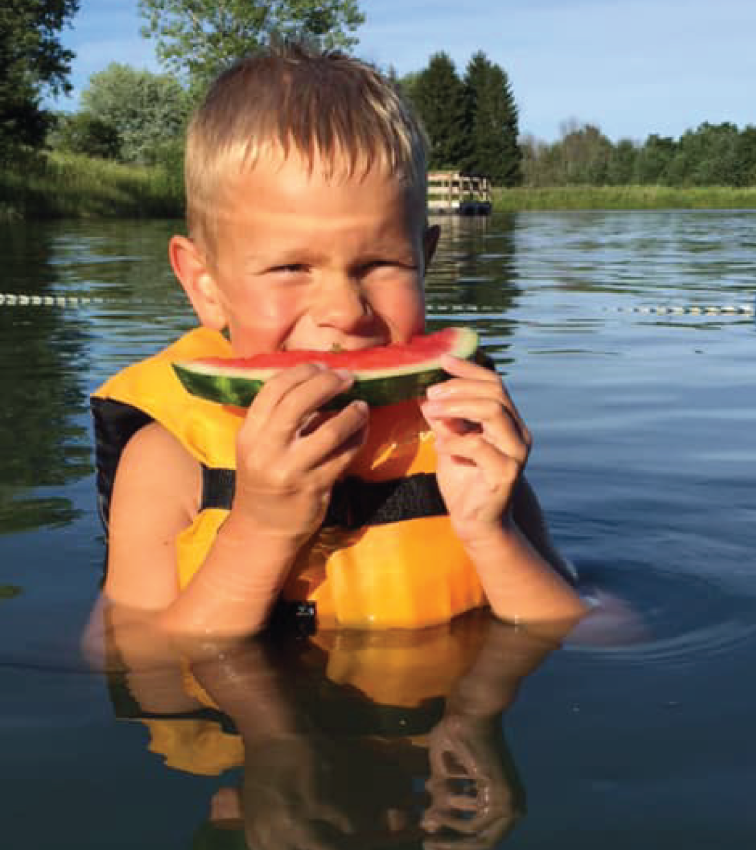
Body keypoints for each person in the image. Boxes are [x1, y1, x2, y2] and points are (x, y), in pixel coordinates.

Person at [89, 42, 587, 639]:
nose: (345, 312)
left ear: (425, 263)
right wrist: (260, 530)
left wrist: (492, 530)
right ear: (205, 283)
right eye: (290, 268)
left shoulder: (464, 433)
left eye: (381, 263)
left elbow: (594, 633)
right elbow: (131, 661)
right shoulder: (166, 462)